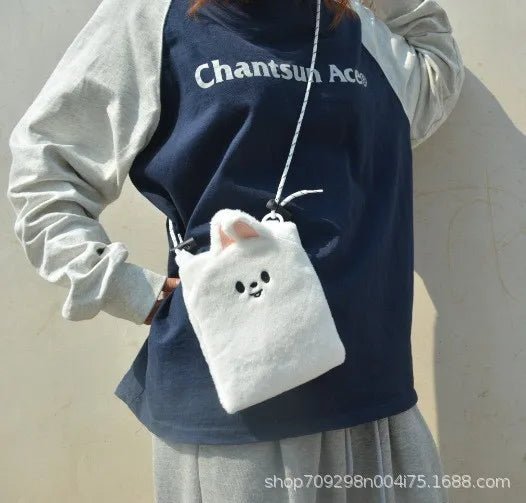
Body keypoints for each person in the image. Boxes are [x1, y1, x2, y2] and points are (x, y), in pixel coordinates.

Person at [6, 0, 465, 501]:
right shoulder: (152, 18)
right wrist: (130, 290)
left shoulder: (357, 28)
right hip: (235, 415)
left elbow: (435, 79)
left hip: (375, 399)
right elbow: (45, 171)